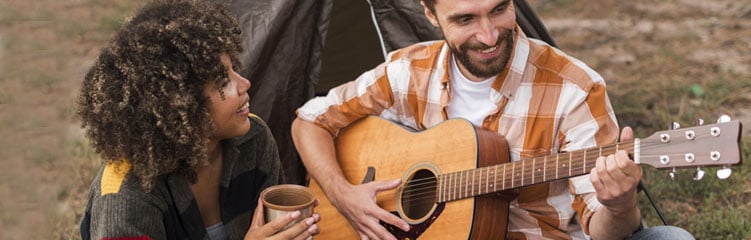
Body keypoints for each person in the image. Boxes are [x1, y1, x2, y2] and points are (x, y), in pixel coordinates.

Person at [291, 0, 693, 239]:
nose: (488, 35)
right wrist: (344, 194)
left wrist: (619, 205)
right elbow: (309, 121)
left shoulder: (574, 88)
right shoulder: (407, 71)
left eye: (499, 9)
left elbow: (602, 231)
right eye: (465, 19)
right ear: (431, 14)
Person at [77, 0, 319, 239]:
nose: (245, 84)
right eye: (223, 82)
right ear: (179, 105)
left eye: (234, 67)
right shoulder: (124, 196)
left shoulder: (253, 139)